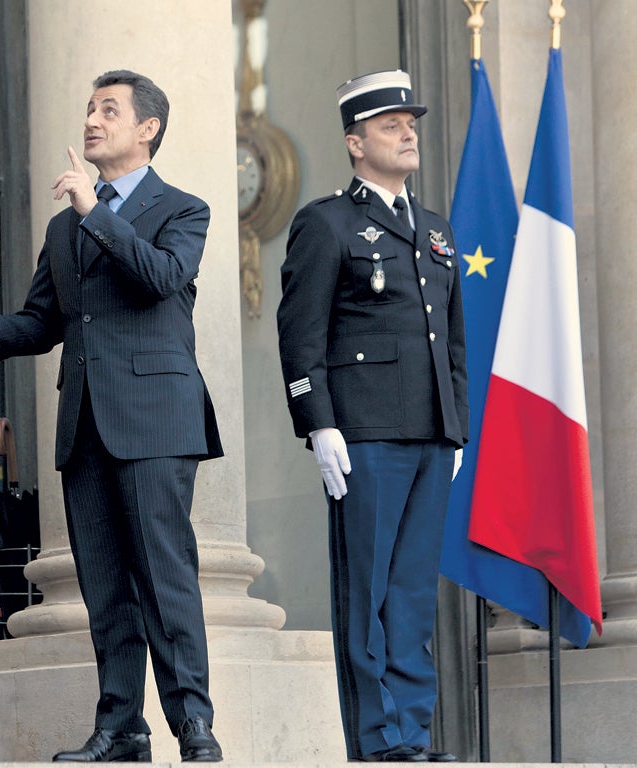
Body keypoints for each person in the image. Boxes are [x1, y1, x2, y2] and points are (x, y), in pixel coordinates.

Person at [0, 70, 224, 763]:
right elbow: (43, 321)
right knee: (105, 586)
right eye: (88, 108)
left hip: (155, 419)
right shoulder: (66, 227)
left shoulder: (183, 208)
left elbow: (162, 278)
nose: (91, 120)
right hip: (84, 422)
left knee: (165, 576)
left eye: (108, 110)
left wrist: (96, 213)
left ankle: (193, 725)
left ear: (147, 129)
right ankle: (121, 727)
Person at [276, 70, 467, 763]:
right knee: (368, 593)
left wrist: (457, 428)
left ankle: (414, 734)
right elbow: (300, 333)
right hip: (365, 435)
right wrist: (318, 422)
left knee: (413, 596)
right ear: (356, 143)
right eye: (391, 125)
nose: (408, 132)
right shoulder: (326, 223)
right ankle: (379, 740)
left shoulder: (437, 230)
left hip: (428, 435)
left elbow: (451, 341)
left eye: (410, 122)